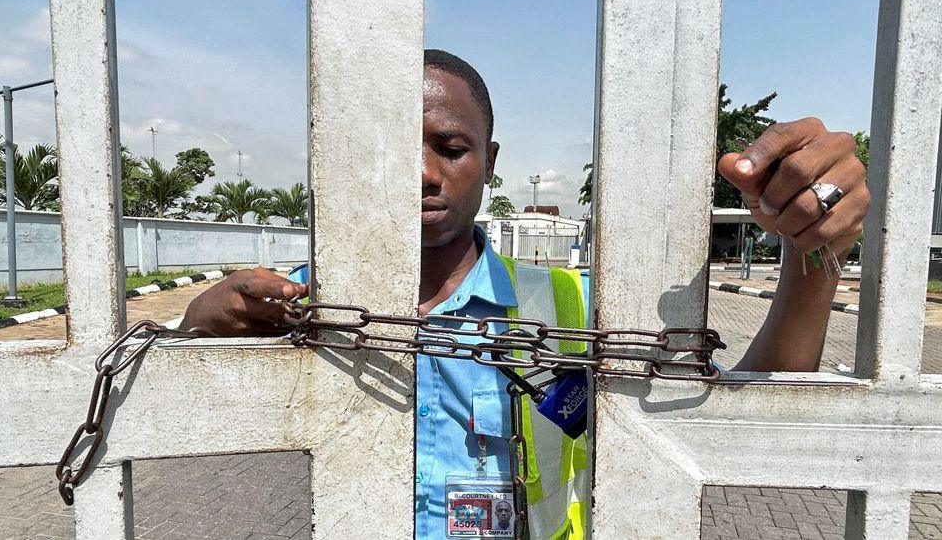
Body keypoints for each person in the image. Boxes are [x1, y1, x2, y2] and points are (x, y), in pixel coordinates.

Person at [180, 49, 870, 538]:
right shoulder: (301, 302)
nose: (422, 173)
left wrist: (813, 252)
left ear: (491, 162)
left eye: (449, 146)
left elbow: (741, 414)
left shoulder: (569, 309)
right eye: (397, 148)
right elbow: (169, 408)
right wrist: (197, 322)